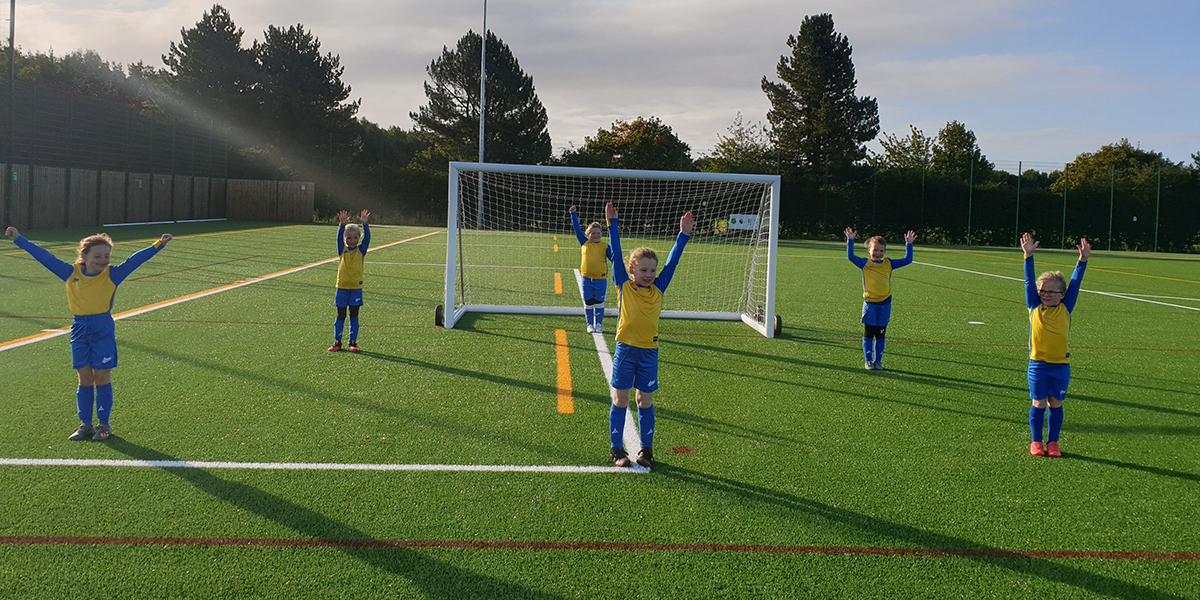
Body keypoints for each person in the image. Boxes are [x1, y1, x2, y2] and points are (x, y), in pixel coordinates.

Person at [5, 226, 172, 441]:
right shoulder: (70, 273)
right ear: (83, 256)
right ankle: (85, 424)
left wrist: (159, 244)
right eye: (98, 256)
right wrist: (19, 239)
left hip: (102, 328)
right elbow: (44, 257)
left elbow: (135, 260)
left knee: (102, 376)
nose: (103, 260)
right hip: (79, 329)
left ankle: (103, 425)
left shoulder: (113, 274)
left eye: (107, 256)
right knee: (84, 378)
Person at [605, 202, 693, 468]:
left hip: (649, 353)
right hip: (626, 350)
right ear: (632, 271)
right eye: (643, 270)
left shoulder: (659, 287)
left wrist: (683, 235)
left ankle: (646, 450)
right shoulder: (623, 284)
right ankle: (617, 450)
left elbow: (673, 261)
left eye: (652, 271)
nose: (649, 275)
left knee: (644, 400)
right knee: (621, 399)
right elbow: (617, 252)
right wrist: (612, 225)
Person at [1021, 232, 1090, 458]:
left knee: (1056, 403)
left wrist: (1082, 261)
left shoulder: (1066, 307)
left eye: (1051, 292)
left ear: (1062, 295)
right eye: (1043, 291)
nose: (1046, 295)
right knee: (1038, 402)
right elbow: (1030, 281)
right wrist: (1028, 257)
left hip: (1060, 366)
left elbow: (1076, 282)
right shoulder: (1034, 304)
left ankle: (1053, 442)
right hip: (1038, 365)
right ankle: (1036, 441)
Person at [845, 227, 916, 370]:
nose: (878, 253)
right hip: (870, 305)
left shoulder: (888, 264)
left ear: (885, 252)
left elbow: (908, 260)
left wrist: (909, 244)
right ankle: (868, 361)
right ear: (869, 250)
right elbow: (851, 257)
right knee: (869, 334)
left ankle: (878, 361)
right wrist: (850, 240)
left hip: (885, 305)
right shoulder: (865, 264)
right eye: (875, 250)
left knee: (881, 334)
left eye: (881, 251)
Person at [568, 205, 614, 333]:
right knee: (588, 302)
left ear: (601, 234)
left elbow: (613, 258)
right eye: (593, 233)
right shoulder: (584, 243)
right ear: (588, 234)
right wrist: (573, 215)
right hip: (586, 278)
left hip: (601, 279)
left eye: (598, 233)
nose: (596, 235)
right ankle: (589, 324)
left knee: (599, 302)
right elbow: (577, 229)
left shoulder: (605, 246)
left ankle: (598, 324)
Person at [330, 209, 371, 353]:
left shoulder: (361, 251)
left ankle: (353, 342)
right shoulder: (342, 250)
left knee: (354, 314)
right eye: (349, 238)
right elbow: (338, 239)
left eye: (355, 237)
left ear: (359, 238)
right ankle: (337, 342)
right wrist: (342, 225)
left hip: (356, 288)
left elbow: (367, 239)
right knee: (341, 315)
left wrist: (365, 225)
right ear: (345, 238)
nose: (352, 240)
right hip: (341, 287)